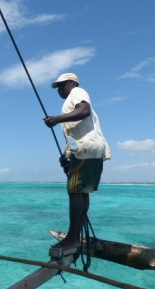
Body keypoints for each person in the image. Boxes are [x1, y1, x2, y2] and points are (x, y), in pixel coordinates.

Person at [44, 73, 111, 249]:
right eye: (57, 87)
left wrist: (57, 119)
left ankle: (72, 238)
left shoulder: (77, 92)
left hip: (85, 150)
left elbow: (84, 110)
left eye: (62, 85)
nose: (59, 89)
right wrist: (66, 156)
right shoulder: (69, 103)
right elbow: (74, 134)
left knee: (74, 192)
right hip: (91, 150)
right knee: (83, 192)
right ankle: (76, 234)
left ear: (72, 83)